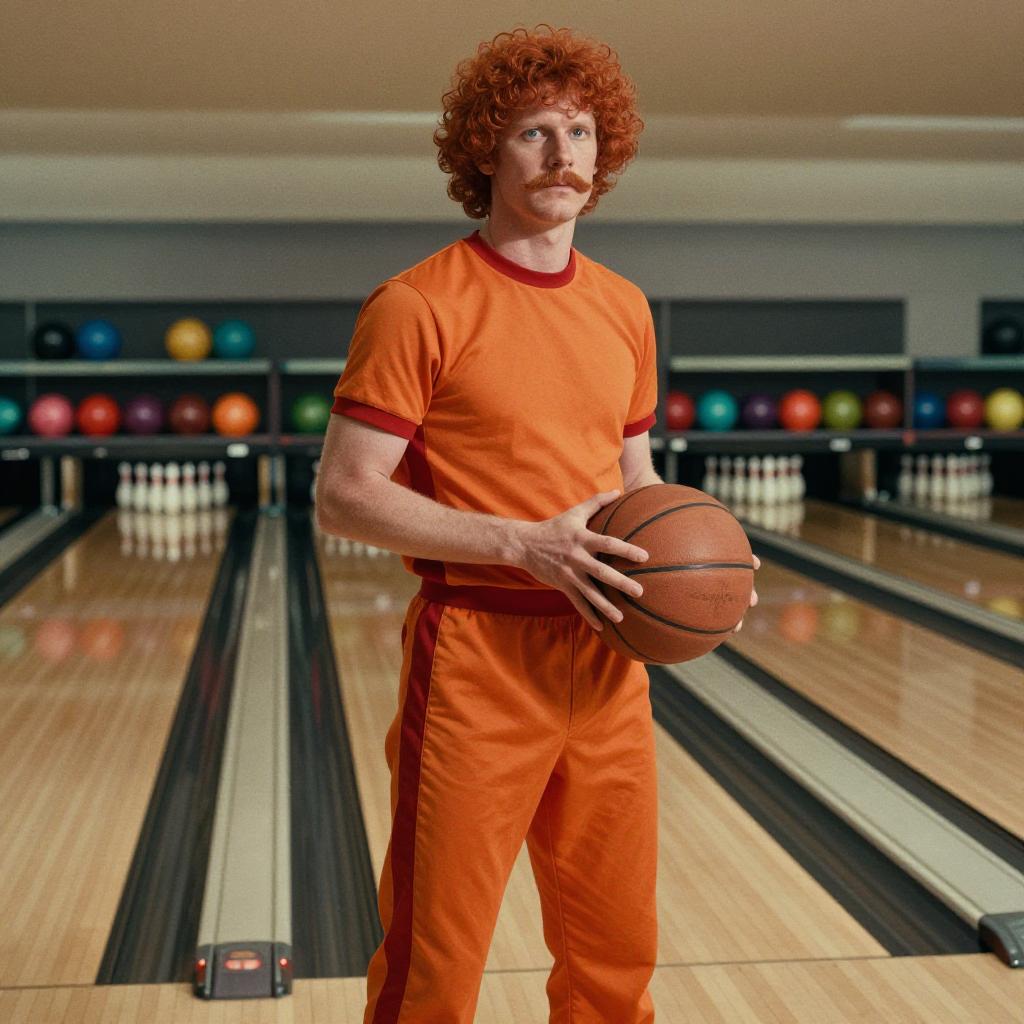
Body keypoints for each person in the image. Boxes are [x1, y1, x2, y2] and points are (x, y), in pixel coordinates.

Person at [317, 24, 758, 1023]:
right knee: (437, 961)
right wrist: (526, 543)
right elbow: (344, 492)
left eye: (581, 131)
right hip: (476, 659)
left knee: (615, 957)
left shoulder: (624, 308)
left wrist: (706, 568)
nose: (563, 156)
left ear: (607, 153)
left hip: (605, 663)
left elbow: (636, 481)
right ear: (484, 148)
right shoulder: (416, 305)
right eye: (533, 132)